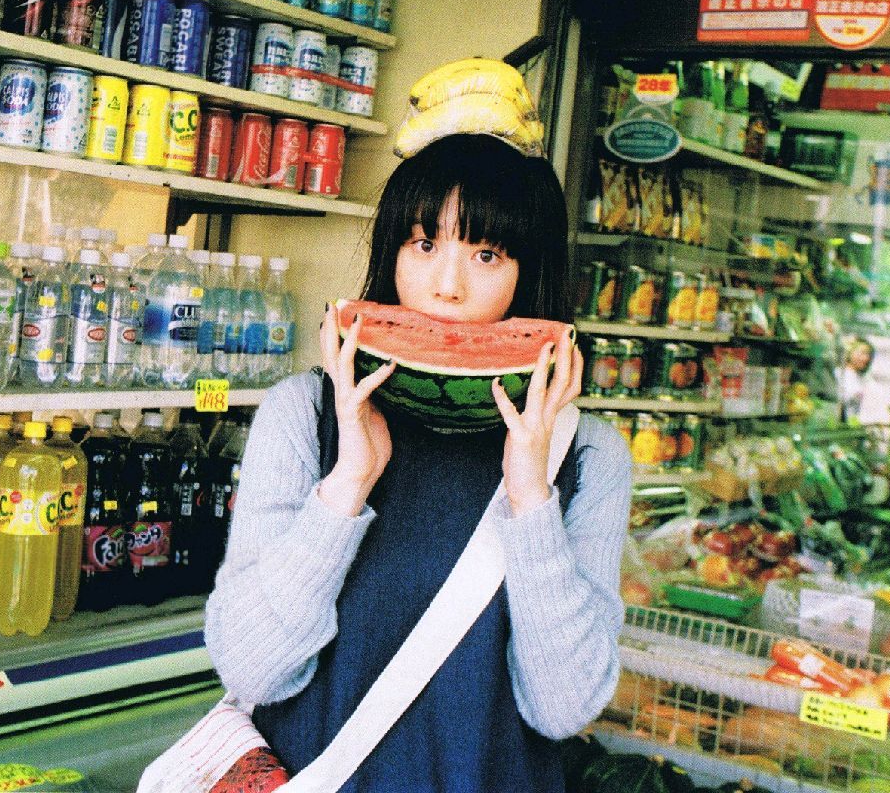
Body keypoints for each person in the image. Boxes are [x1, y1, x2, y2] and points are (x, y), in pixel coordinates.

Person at [204, 134, 632, 792]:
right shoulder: (305, 413)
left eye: (486, 254)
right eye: (424, 245)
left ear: (531, 272)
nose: (447, 288)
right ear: (392, 253)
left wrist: (531, 498)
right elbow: (252, 672)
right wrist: (347, 484)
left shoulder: (590, 455)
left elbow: (563, 709)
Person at [838, 336, 875, 423]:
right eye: (862, 353)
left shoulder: (864, 378)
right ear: (849, 353)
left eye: (868, 355)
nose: (866, 358)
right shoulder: (839, 374)